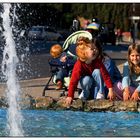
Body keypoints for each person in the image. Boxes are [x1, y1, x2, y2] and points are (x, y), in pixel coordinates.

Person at [65, 36, 116, 106]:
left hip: (96, 81)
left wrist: (110, 89)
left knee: (97, 71)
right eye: (92, 49)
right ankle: (85, 93)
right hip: (87, 82)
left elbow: (105, 75)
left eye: (95, 48)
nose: (95, 50)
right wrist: (70, 96)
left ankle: (101, 93)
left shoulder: (97, 61)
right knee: (86, 79)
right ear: (84, 53)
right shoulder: (79, 64)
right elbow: (73, 81)